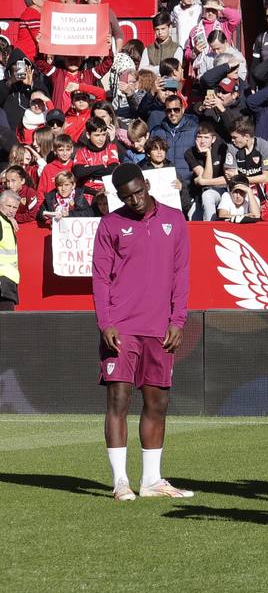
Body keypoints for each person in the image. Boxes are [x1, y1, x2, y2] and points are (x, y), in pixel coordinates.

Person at [93, 163, 192, 501]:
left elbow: (181, 273)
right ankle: (121, 482)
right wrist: (105, 322)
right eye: (126, 196)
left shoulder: (174, 220)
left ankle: (151, 481)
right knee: (118, 400)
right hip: (121, 328)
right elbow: (100, 277)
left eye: (138, 192)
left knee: (157, 403)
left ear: (147, 184)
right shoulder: (110, 224)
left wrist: (178, 320)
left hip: (160, 328)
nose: (134, 200)